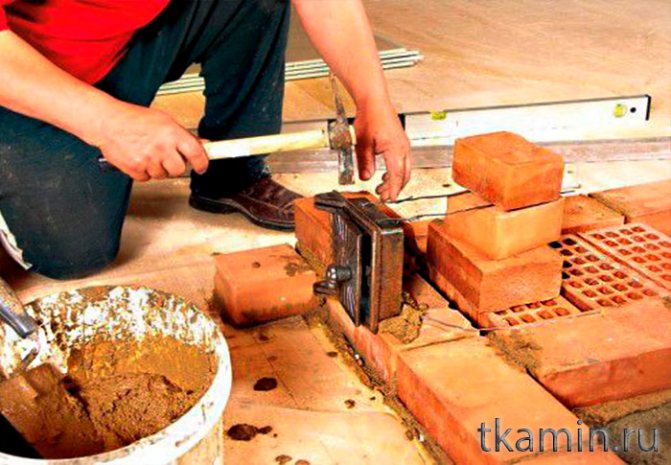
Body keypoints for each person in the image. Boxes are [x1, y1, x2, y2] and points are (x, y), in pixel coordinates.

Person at [0, 0, 411, 280]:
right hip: (31, 74)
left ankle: (232, 177)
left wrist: (373, 100)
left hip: (126, 35)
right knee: (73, 255)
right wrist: (108, 123)